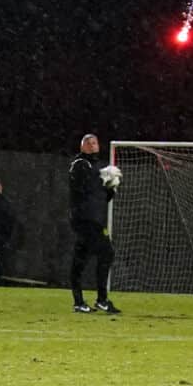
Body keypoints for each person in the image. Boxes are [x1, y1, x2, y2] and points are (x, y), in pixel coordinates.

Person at [69, 134, 120, 313]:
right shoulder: (80, 164)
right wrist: (102, 180)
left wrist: (111, 187)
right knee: (106, 253)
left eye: (95, 143)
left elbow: (100, 198)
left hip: (94, 218)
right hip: (85, 219)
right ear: (82, 146)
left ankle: (80, 302)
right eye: (88, 143)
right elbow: (83, 189)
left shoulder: (97, 166)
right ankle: (101, 299)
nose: (92, 146)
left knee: (80, 260)